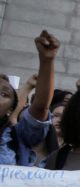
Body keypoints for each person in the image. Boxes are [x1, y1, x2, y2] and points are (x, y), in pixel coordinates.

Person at [1, 31, 58, 166]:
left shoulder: (16, 137)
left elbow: (40, 108)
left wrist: (47, 60)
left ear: (10, 110)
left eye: (4, 94)